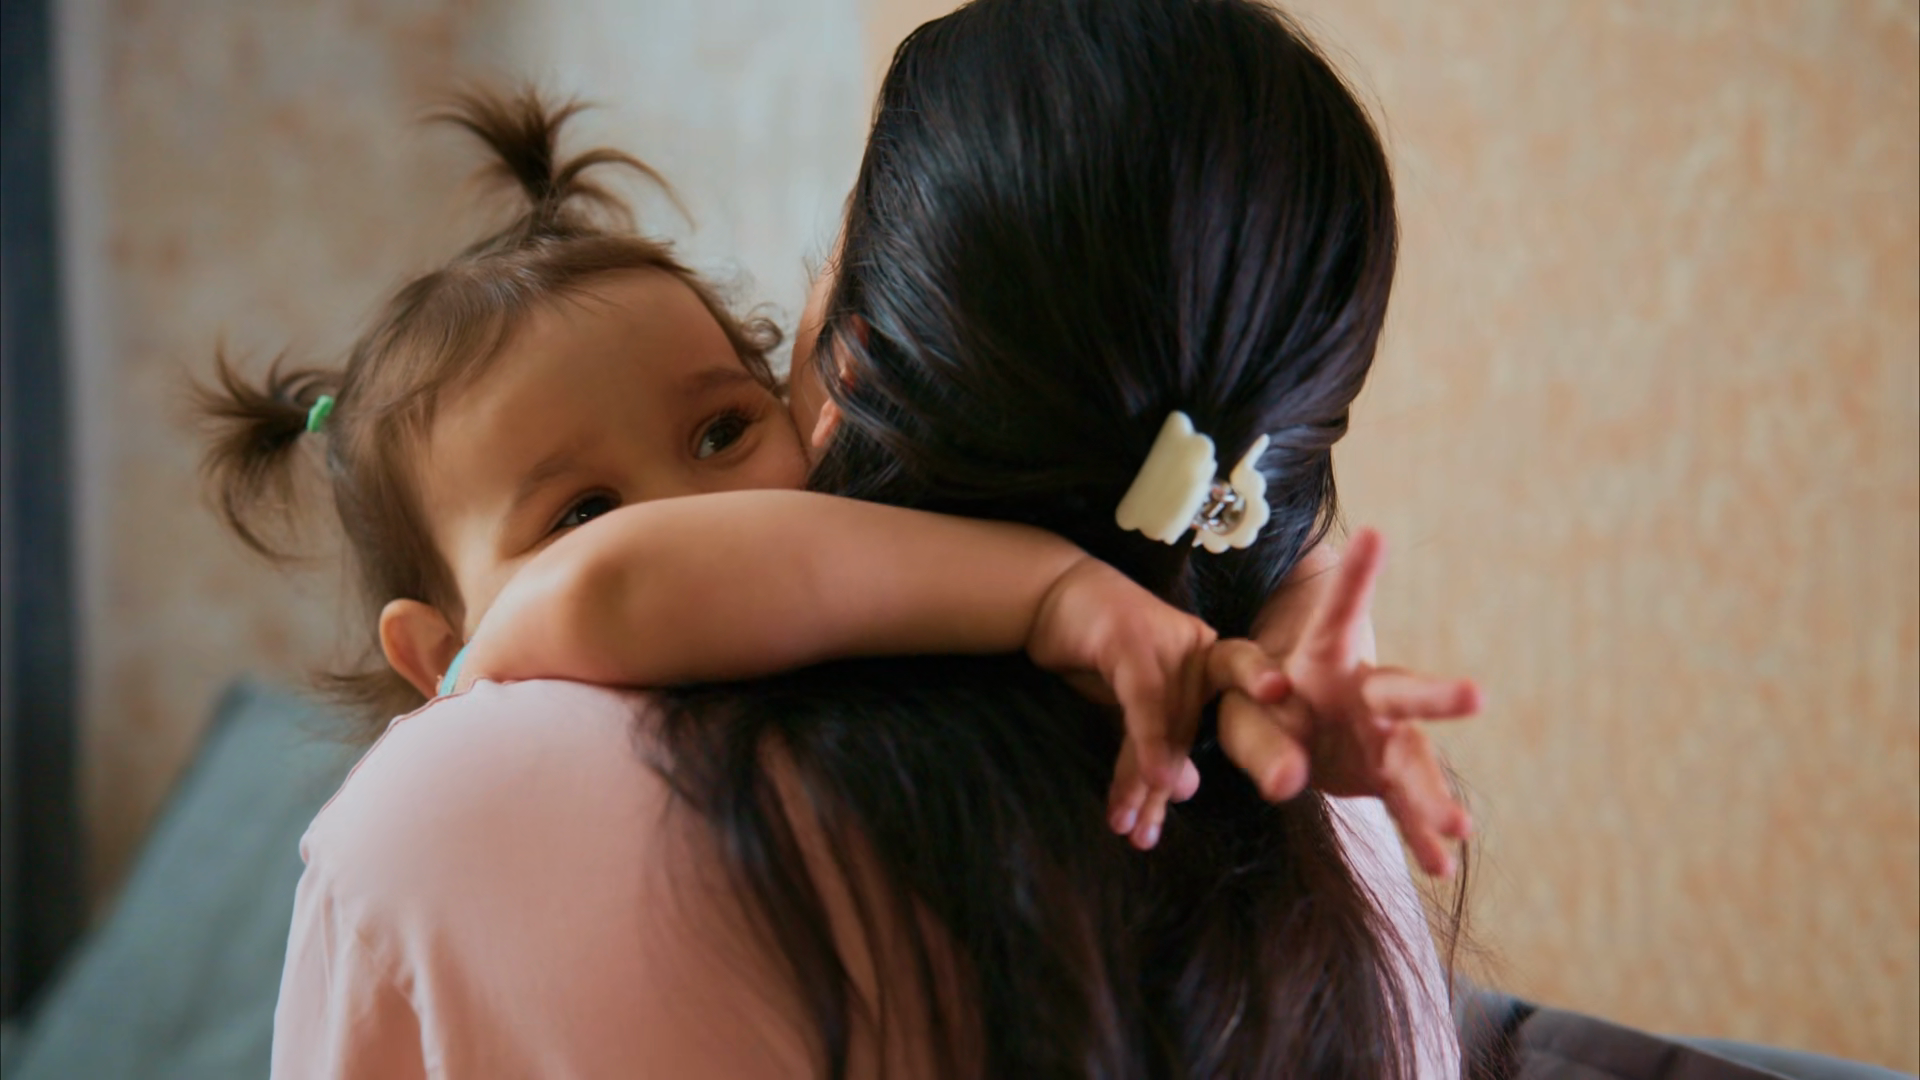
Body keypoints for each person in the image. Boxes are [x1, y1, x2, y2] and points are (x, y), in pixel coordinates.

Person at [237, 1, 1483, 1075]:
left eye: (722, 429)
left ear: (856, 359)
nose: (698, 515)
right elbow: (624, 585)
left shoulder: (441, 824)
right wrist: (1246, 600)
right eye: (579, 510)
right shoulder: (1304, 793)